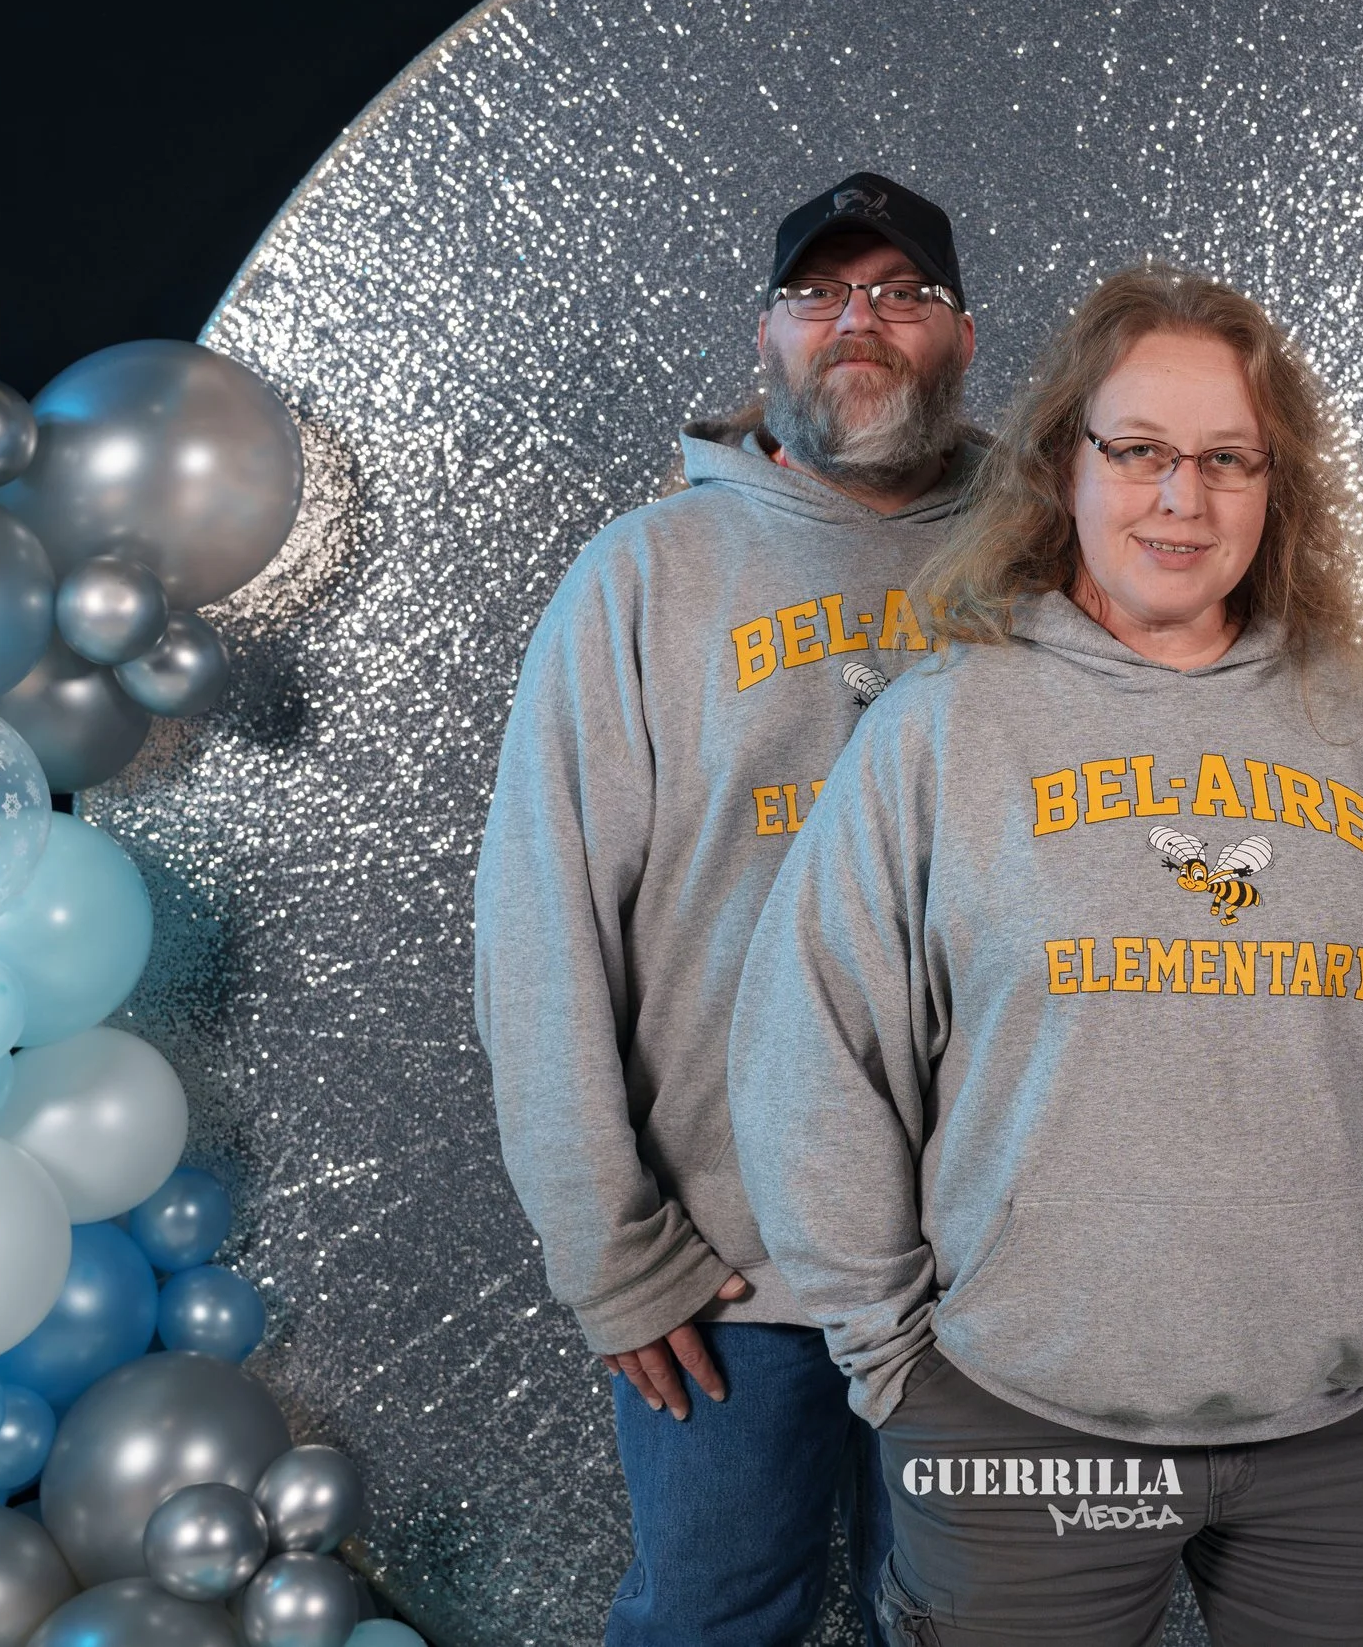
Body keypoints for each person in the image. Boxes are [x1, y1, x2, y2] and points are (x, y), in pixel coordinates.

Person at [727, 263, 1363, 1646]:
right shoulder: (943, 727)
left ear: (1275, 488)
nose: (1185, 497)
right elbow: (812, 1050)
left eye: (1230, 458)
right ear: (1065, 465)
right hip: (1018, 1422)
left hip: (1359, 1426)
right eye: (1140, 451)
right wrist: (897, 1362)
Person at [473, 171, 982, 1647]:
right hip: (729, 1270)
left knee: (973, 1628)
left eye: (902, 292)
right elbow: (542, 929)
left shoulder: (1052, 561)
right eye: (819, 294)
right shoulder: (645, 576)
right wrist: (613, 1254)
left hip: (994, 1256)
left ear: (962, 337)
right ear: (765, 337)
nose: (858, 321)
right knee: (713, 1621)